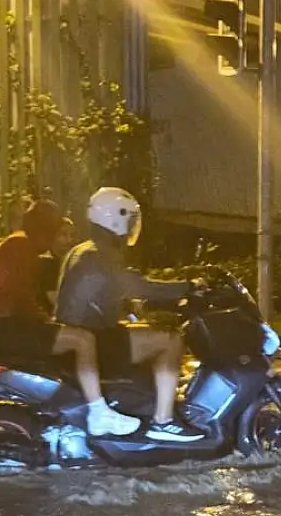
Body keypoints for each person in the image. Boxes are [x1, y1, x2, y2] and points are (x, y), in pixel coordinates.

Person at [0, 199, 139, 437]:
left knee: (74, 338)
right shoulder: (22, 248)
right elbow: (19, 295)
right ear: (44, 232)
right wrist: (47, 323)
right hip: (6, 328)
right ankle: (98, 413)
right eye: (54, 233)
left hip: (3, 326)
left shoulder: (19, 245)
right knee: (82, 340)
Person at [55, 187, 204, 443]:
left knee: (149, 330)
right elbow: (138, 287)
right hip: (95, 339)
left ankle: (147, 403)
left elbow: (109, 292)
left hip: (83, 333)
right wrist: (188, 286)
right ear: (116, 218)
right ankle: (163, 421)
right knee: (171, 340)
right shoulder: (100, 255)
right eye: (131, 219)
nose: (134, 226)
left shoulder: (85, 250)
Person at [38, 216, 76, 313]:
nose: (69, 240)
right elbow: (57, 302)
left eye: (72, 235)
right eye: (63, 234)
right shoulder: (47, 262)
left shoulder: (67, 261)